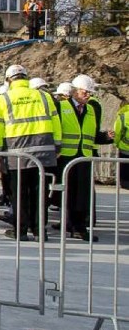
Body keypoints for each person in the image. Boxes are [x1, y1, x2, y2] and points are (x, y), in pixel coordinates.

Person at [0, 65, 61, 241]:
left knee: (20, 194)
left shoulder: (4, 99)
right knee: (40, 193)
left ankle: (20, 231)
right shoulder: (44, 96)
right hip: (43, 153)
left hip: (17, 154)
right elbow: (56, 122)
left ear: (9, 80)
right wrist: (57, 146)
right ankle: (39, 231)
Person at [58, 74, 113, 241]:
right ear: (74, 91)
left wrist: (106, 137)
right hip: (66, 157)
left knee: (82, 195)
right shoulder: (61, 107)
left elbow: (92, 135)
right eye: (85, 92)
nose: (88, 95)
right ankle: (69, 224)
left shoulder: (91, 110)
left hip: (84, 157)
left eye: (90, 93)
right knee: (68, 193)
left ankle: (80, 226)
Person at [115, 102, 129, 190]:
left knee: (126, 181)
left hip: (125, 151)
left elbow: (117, 134)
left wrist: (117, 144)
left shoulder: (123, 116)